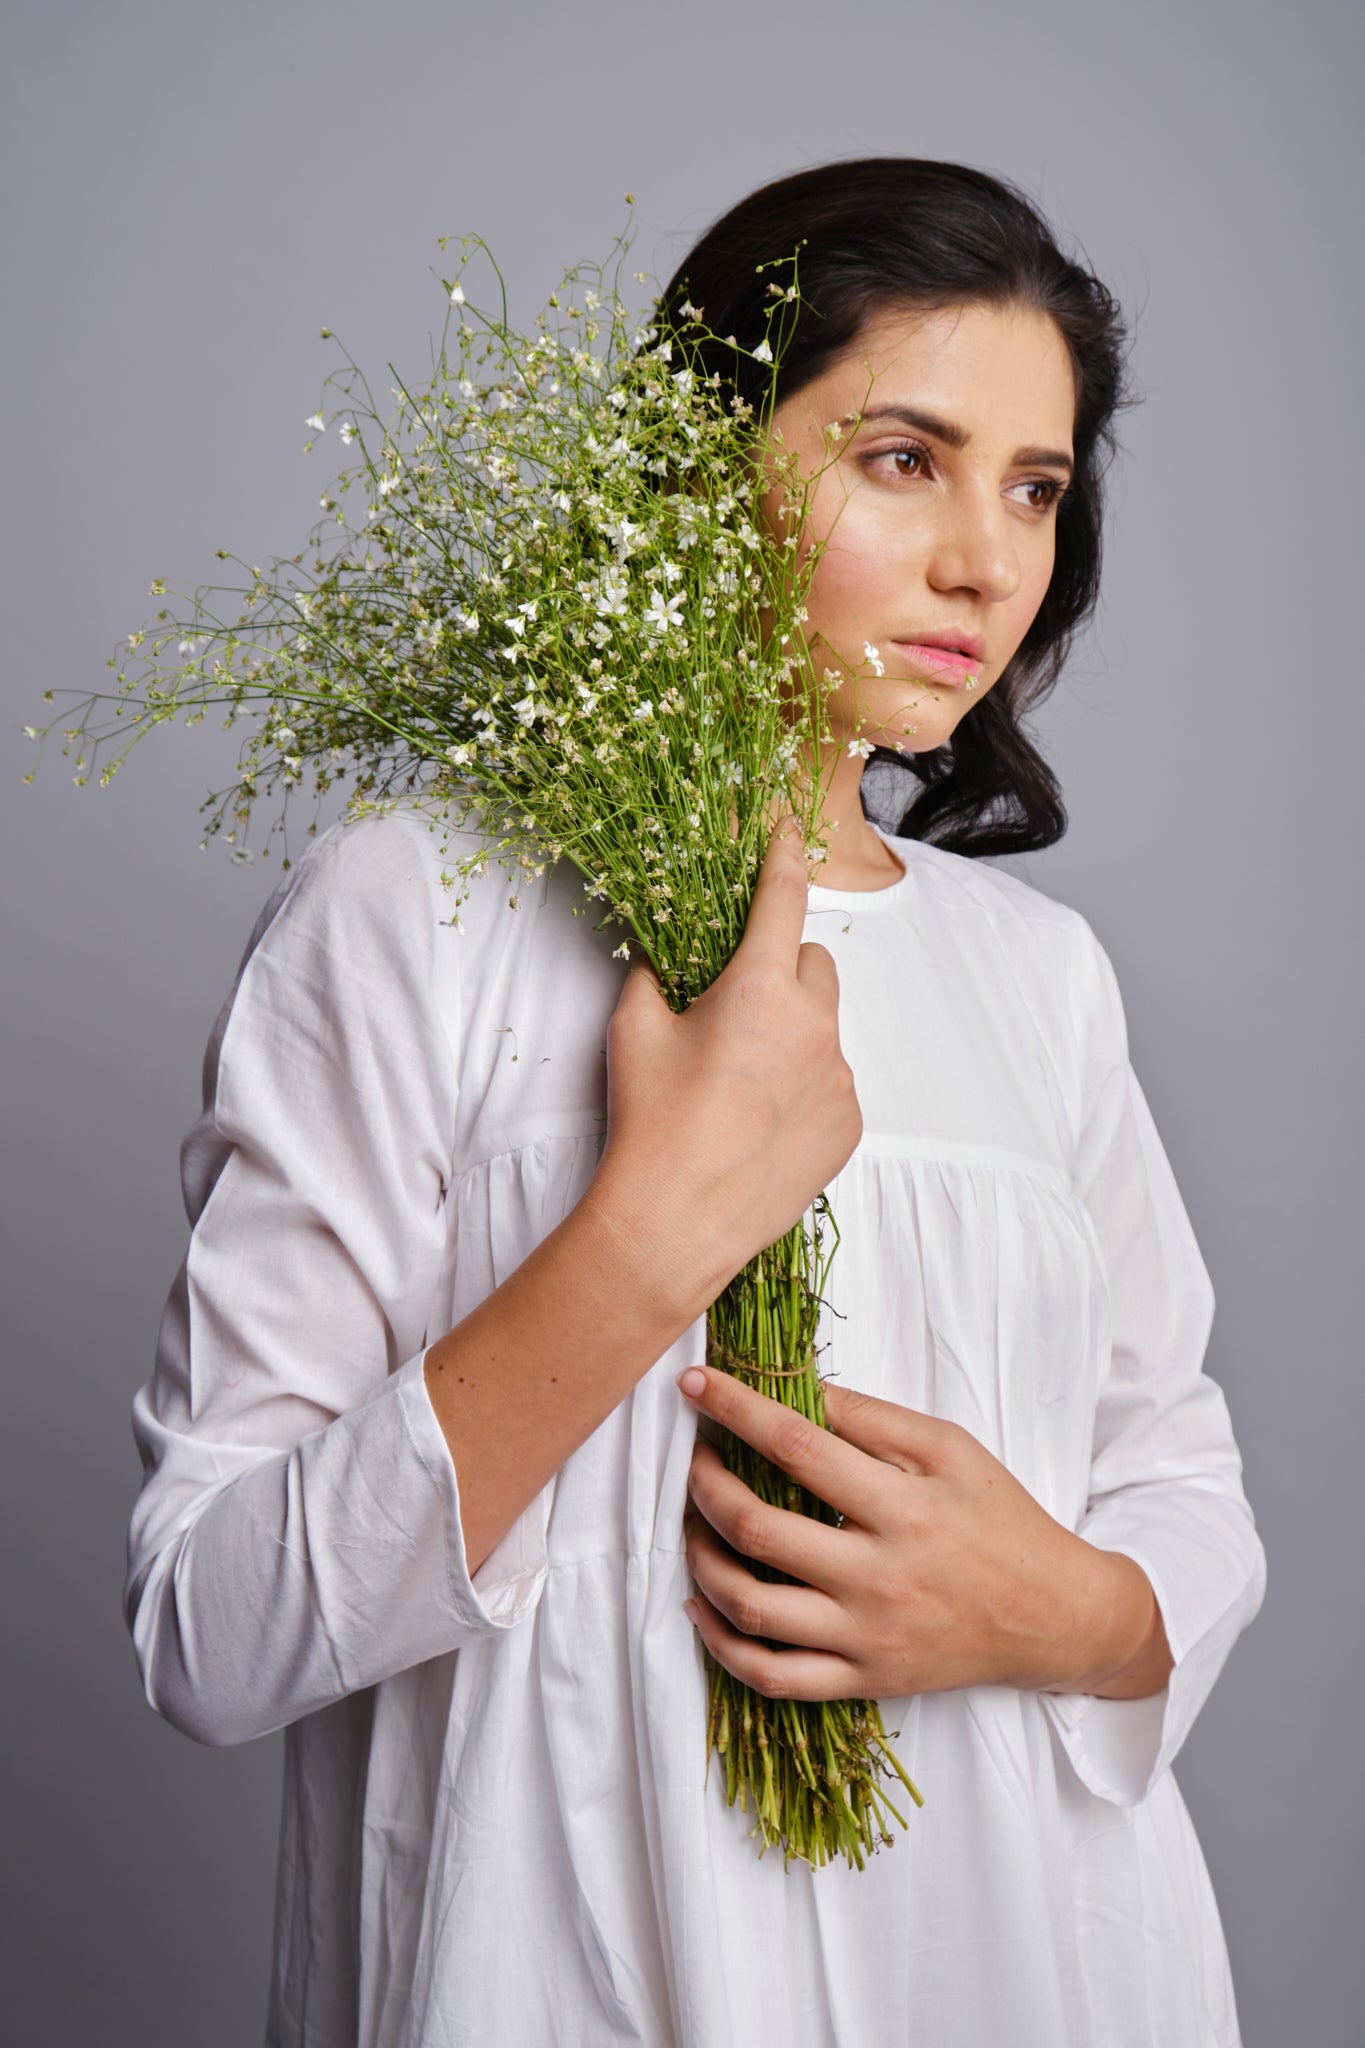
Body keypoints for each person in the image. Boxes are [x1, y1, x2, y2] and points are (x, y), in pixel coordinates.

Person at [124, 159, 1267, 2046]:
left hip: (1030, 1972)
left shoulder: (1039, 975)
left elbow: (1181, 1485)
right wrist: (646, 1239)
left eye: (1033, 486)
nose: (985, 559)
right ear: (689, 470)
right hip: (568, 1978)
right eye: (901, 459)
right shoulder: (416, 914)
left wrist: (1057, 1612)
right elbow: (207, 1631)